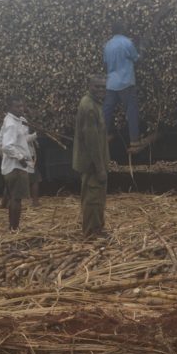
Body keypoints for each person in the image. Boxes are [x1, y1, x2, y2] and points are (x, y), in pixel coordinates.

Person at [73, 76, 110, 238]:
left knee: (96, 197)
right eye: (97, 87)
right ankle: (91, 232)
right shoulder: (89, 107)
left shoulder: (94, 104)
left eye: (103, 87)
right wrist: (100, 168)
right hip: (92, 163)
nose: (101, 90)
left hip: (94, 161)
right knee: (93, 198)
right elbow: (92, 141)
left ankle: (97, 229)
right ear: (89, 86)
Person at [103, 19, 145, 151]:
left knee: (106, 112)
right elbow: (136, 58)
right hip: (126, 83)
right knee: (131, 111)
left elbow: (105, 63)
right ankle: (134, 140)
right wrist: (140, 49)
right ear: (122, 29)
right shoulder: (127, 42)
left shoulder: (107, 45)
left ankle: (102, 136)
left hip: (111, 83)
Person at [0, 96, 34, 230]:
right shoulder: (11, 124)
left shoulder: (16, 121)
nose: (21, 109)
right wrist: (21, 158)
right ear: (10, 108)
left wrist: (35, 135)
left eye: (22, 106)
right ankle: (14, 228)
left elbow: (19, 140)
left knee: (14, 197)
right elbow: (7, 146)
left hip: (13, 166)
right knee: (16, 199)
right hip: (16, 167)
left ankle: (13, 226)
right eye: (17, 107)